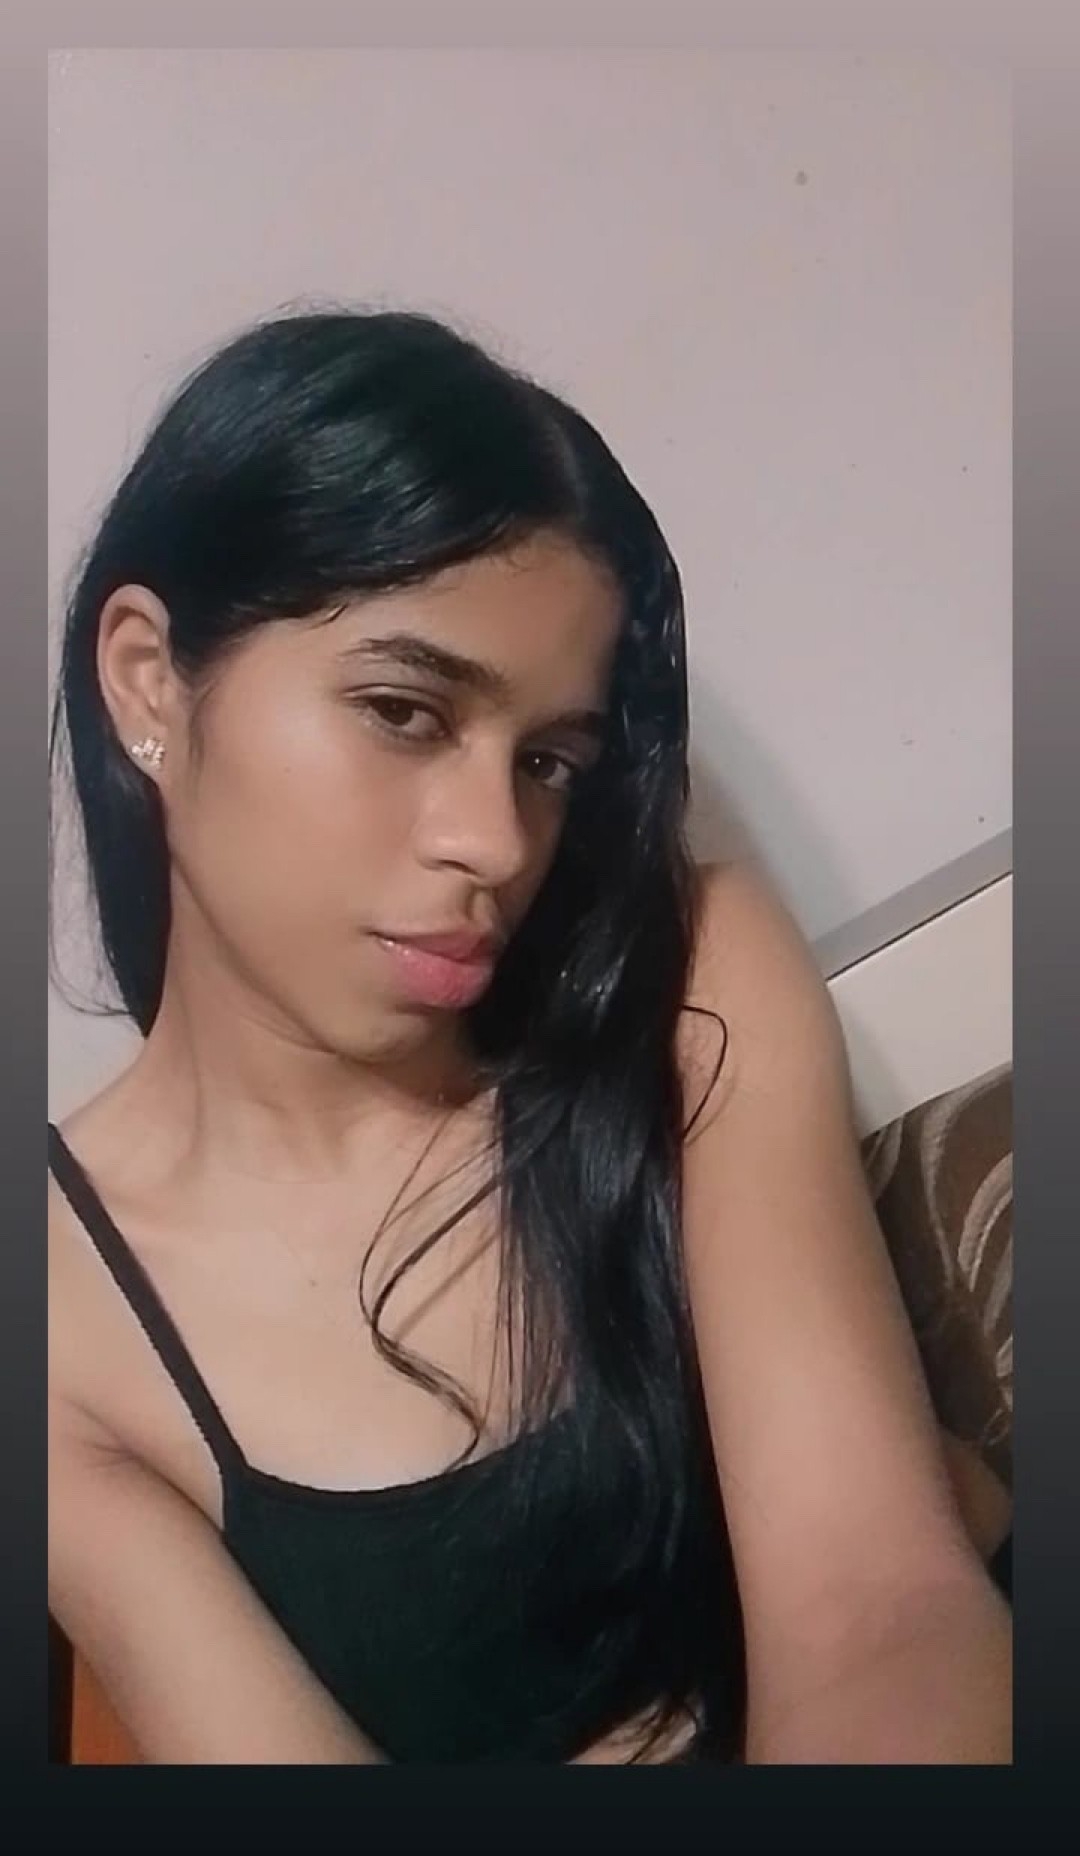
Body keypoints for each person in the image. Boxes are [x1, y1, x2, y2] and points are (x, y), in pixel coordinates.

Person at [47, 308, 1012, 1766]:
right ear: (147, 680)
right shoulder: (59, 1310)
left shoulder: (684, 979)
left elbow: (875, 1601)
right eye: (403, 710)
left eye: (550, 760)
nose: (498, 842)